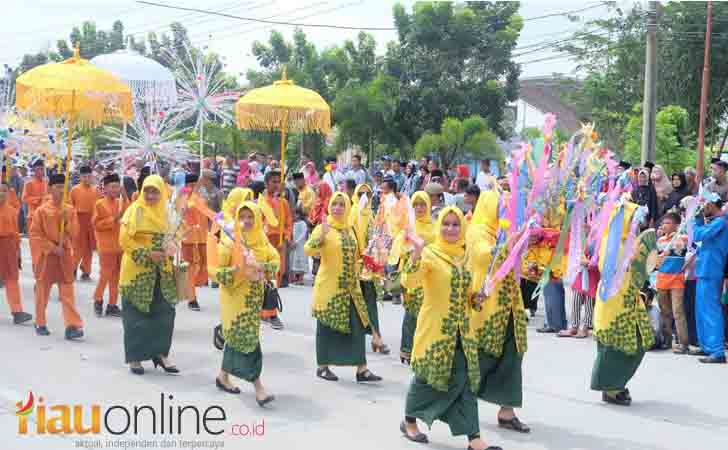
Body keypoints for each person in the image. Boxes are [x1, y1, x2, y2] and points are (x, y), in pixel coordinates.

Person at [400, 206, 501, 450]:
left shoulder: (464, 257)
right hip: (435, 329)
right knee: (426, 378)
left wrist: (479, 297)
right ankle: (409, 421)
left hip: (462, 332)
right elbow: (409, 281)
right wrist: (416, 254)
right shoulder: (430, 253)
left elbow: (468, 296)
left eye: (456, 224)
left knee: (465, 382)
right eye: (446, 224)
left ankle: (474, 439)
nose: (451, 229)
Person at [468, 190, 530, 434]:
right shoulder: (477, 231)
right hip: (488, 307)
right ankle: (457, 403)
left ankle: (507, 411)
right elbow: (484, 257)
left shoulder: (499, 231)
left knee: (513, 356)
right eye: (499, 206)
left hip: (510, 304)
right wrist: (509, 246)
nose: (503, 211)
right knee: (481, 358)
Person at [305, 192, 382, 383]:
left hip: (351, 287)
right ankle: (322, 366)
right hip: (329, 288)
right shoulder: (325, 228)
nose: (338, 208)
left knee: (356, 326)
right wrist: (320, 236)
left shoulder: (351, 229)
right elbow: (310, 250)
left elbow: (358, 254)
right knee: (326, 327)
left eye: (342, 204)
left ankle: (362, 369)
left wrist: (371, 259)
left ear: (347, 207)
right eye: (335, 204)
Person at [212, 201, 277, 405]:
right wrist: (239, 270)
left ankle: (223, 376)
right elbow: (215, 272)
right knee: (248, 341)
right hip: (234, 300)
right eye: (242, 217)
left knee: (237, 339)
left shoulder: (262, 241)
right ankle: (259, 387)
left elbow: (275, 263)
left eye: (251, 217)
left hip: (254, 301)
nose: (246, 221)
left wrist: (262, 266)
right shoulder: (229, 242)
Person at [592, 201, 656, 405]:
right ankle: (611, 388)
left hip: (630, 300)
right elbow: (613, 271)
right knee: (616, 346)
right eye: (633, 219)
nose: (637, 224)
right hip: (615, 302)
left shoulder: (628, 242)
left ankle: (615, 384)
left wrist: (651, 262)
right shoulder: (612, 243)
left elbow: (641, 268)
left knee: (638, 342)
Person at [119, 175, 179, 375]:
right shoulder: (134, 211)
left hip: (162, 270)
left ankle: (161, 354)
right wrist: (146, 253)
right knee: (135, 314)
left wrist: (172, 246)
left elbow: (176, 235)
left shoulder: (169, 212)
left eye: (155, 191)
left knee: (164, 313)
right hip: (137, 272)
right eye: (147, 191)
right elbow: (124, 240)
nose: (151, 195)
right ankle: (135, 358)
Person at [30, 174, 84, 339]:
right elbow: (35, 234)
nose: (61, 190)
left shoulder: (69, 210)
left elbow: (75, 233)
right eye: (58, 187)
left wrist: (67, 221)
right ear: (50, 189)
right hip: (47, 256)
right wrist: (52, 248)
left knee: (67, 291)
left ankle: (72, 325)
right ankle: (40, 322)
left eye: (63, 187)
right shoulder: (41, 210)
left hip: (64, 255)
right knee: (43, 291)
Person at [350, 184, 390, 355]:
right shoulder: (352, 213)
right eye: (360, 193)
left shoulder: (371, 215)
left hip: (369, 266)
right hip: (355, 266)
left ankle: (376, 336)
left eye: (367, 193)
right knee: (357, 304)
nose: (364, 196)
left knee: (371, 301)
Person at [398, 191, 435, 365]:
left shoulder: (435, 227)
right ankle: (406, 349)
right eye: (416, 205)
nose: (419, 208)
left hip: (429, 274)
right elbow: (399, 250)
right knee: (411, 313)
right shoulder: (408, 226)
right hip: (411, 273)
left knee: (426, 314)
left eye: (422, 205)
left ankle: (423, 350)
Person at [691, 195, 728, 363]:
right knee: (701, 309)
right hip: (704, 270)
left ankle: (717, 351)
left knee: (711, 310)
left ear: (713, 204)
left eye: (705, 204)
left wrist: (696, 221)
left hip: (712, 270)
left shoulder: (721, 222)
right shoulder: (714, 222)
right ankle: (707, 346)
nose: (703, 208)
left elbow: (698, 235)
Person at [91, 174, 129, 318]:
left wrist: (125, 196)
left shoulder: (120, 202)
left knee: (117, 278)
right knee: (105, 275)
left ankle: (112, 304)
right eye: (112, 186)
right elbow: (96, 224)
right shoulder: (100, 204)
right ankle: (98, 299)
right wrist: (113, 219)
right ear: (105, 188)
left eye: (117, 186)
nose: (115, 189)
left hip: (120, 246)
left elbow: (129, 210)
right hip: (106, 246)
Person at [655, 212, 690, 353]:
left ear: (676, 225)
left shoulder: (682, 238)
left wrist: (679, 244)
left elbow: (693, 248)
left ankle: (683, 343)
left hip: (677, 279)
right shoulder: (660, 241)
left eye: (668, 222)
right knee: (665, 312)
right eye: (663, 222)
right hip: (662, 278)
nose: (664, 225)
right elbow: (656, 261)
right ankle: (667, 340)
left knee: (678, 312)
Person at [259, 170, 290, 329]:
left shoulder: (283, 202)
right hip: (265, 243)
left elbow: (288, 223)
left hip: (279, 243)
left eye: (279, 181)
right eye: (274, 181)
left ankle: (267, 311)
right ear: (266, 183)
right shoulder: (261, 202)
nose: (277, 184)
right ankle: (271, 313)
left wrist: (285, 237)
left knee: (278, 274)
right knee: (268, 276)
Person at [0, 181, 31, 325]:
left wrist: (17, 251)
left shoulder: (12, 210)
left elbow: (16, 234)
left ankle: (17, 311)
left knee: (12, 279)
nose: (2, 193)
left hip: (9, 247)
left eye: (4, 191)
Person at [181, 174, 209, 311]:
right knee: (190, 268)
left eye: (195, 184)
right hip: (189, 239)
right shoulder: (183, 198)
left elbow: (209, 214)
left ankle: (192, 286)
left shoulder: (202, 199)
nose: (193, 187)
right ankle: (192, 298)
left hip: (203, 238)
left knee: (204, 266)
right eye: (191, 185)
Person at [69, 165, 101, 281]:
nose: (87, 178)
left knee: (89, 248)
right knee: (78, 248)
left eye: (89, 176)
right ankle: (72, 269)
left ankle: (86, 271)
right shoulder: (75, 189)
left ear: (92, 176)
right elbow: (70, 206)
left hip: (91, 221)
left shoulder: (95, 190)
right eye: (84, 176)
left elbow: (99, 206)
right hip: (79, 220)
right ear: (81, 177)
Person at [22, 158, 48, 277]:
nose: (40, 172)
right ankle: (37, 272)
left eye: (42, 169)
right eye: (38, 169)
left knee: (45, 247)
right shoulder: (29, 183)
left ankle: (43, 271)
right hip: (33, 218)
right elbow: (24, 198)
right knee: (35, 247)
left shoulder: (47, 182)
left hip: (46, 219)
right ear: (34, 170)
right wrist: (36, 200)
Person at [308, 181, 332, 277]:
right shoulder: (317, 201)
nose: (317, 191)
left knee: (323, 252)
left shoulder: (329, 202)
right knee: (316, 252)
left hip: (325, 230)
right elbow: (312, 214)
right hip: (316, 228)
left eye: (319, 188)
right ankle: (316, 273)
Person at [290, 207, 309, 285]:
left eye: (295, 214)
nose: (294, 216)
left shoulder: (302, 223)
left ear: (299, 215)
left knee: (301, 260)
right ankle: (294, 278)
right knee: (293, 260)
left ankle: (301, 279)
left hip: (300, 245)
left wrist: (296, 242)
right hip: (293, 245)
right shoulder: (292, 223)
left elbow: (303, 234)